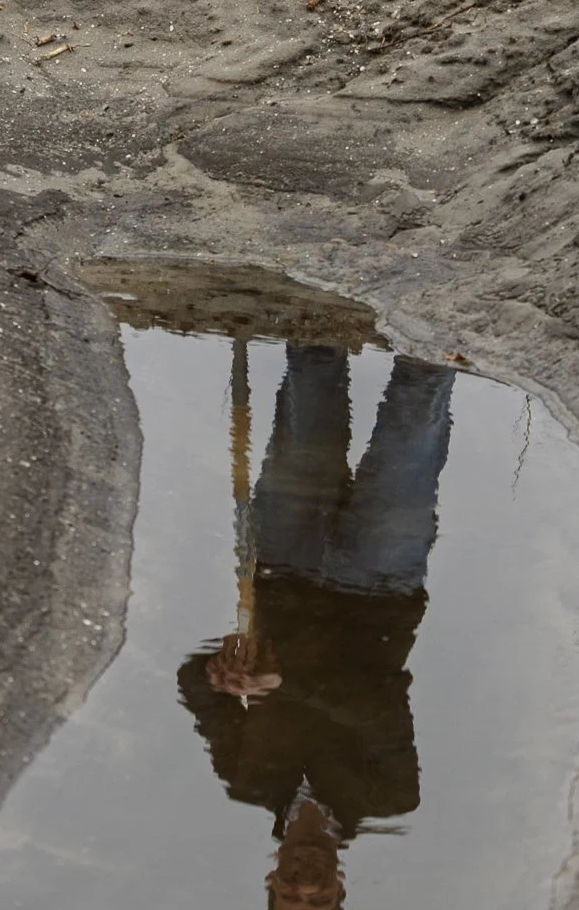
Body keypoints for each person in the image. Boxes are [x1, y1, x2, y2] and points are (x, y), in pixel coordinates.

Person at [178, 346, 456, 904]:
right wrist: (286, 685)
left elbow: (191, 683)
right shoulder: (390, 796)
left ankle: (328, 272)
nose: (304, 884)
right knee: (418, 398)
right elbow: (378, 707)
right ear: (339, 888)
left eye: (289, 896)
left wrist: (221, 672)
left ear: (271, 880)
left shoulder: (248, 779)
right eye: (319, 901)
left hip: (284, 569)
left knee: (311, 371)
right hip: (378, 588)